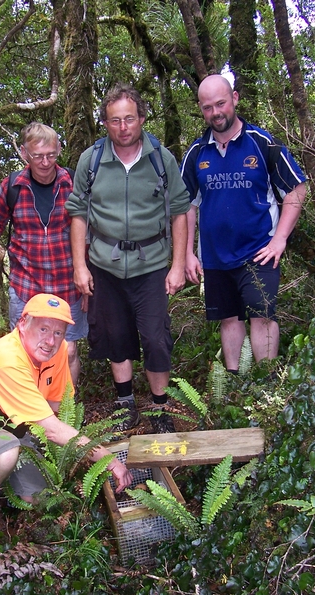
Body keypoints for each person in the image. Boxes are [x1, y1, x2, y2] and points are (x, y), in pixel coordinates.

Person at [65, 83, 190, 433]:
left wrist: (178, 264)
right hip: (104, 265)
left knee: (155, 337)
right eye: (115, 120)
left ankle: (160, 408)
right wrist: (80, 266)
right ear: (105, 123)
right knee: (114, 334)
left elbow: (180, 211)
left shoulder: (160, 159)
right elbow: (78, 214)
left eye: (129, 119)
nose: (123, 127)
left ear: (142, 119)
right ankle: (125, 403)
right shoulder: (91, 161)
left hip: (150, 265)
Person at [0, 293, 133, 526]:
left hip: (17, 431)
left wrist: (64, 459)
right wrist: (107, 459)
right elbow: (53, 430)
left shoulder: (58, 352)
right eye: (43, 329)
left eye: (58, 332)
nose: (50, 341)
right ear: (22, 324)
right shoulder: (6, 359)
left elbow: (56, 409)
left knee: (35, 499)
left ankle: (5, 487)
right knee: (7, 454)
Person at [180, 74, 307, 371]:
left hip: (259, 251)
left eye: (221, 103)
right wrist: (187, 253)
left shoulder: (262, 143)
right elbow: (184, 205)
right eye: (207, 107)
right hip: (215, 256)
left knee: (261, 317)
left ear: (235, 98)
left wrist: (280, 239)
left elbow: (297, 188)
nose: (216, 113)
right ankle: (234, 384)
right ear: (201, 109)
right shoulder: (197, 153)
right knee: (229, 318)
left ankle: (264, 385)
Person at [0, 122, 87, 386]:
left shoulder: (72, 182)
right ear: (25, 154)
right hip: (27, 286)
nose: (45, 161)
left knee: (68, 351)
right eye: (38, 156)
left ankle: (65, 414)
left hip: (68, 284)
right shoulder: (13, 185)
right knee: (28, 353)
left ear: (59, 150)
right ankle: (31, 415)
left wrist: (87, 280)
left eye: (51, 154)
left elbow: (90, 230)